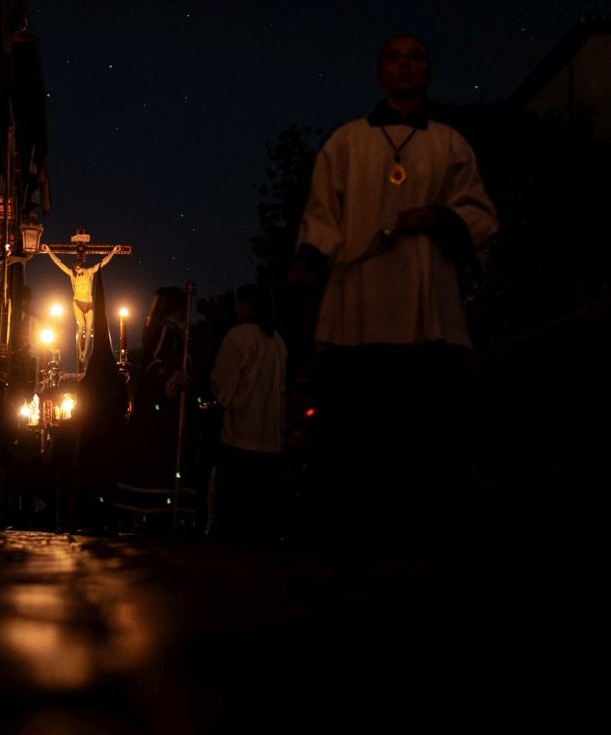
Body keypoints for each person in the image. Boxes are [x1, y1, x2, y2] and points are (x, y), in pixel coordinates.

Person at [286, 33, 499, 564]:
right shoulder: (347, 143)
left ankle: (425, 545)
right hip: (358, 303)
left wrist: (438, 217)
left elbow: (478, 217)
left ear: (428, 71)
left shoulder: (451, 144)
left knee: (426, 435)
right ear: (380, 73)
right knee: (358, 434)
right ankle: (352, 546)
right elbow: (319, 215)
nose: (406, 66)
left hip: (428, 309)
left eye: (416, 57)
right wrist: (310, 261)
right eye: (395, 58)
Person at [208, 284, 288, 543]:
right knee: (261, 517)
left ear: (247, 306)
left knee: (235, 514)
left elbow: (223, 381)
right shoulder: (277, 340)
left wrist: (221, 399)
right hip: (271, 437)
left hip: (240, 435)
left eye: (238, 304)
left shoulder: (238, 336)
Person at [41, 243, 120, 369]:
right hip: (77, 302)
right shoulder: (73, 275)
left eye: (79, 269)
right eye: (76, 270)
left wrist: (113, 252)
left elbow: (103, 262)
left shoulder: (89, 272)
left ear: (82, 267)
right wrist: (49, 251)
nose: (77, 272)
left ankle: (84, 353)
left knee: (89, 328)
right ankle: (80, 351)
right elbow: (59, 263)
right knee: (82, 326)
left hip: (88, 303)